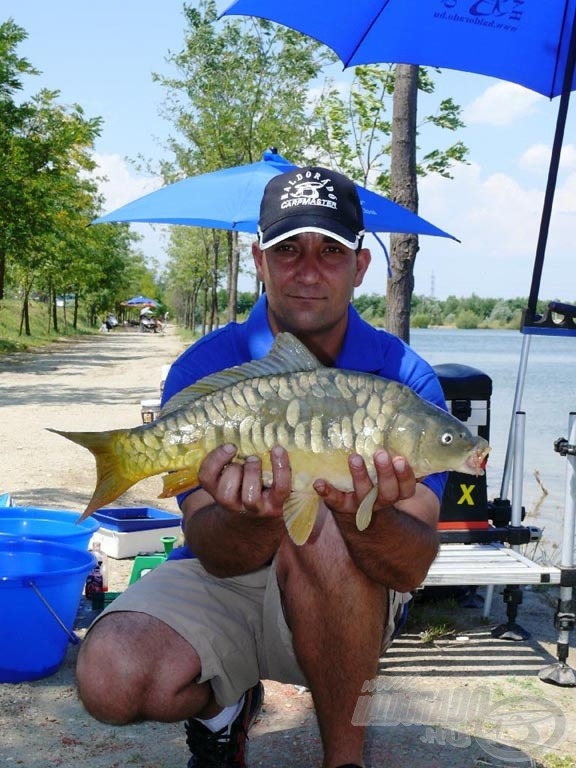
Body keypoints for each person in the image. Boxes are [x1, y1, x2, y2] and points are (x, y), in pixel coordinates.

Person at [76, 166, 447, 768]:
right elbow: (210, 546)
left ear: (360, 267)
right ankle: (224, 710)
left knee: (327, 529)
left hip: (346, 588)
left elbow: (411, 565)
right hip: (224, 575)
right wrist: (253, 518)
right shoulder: (204, 369)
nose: (307, 270)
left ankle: (344, 761)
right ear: (259, 259)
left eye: (331, 250)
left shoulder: (404, 380)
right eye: (287, 249)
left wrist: (362, 519)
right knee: (112, 676)